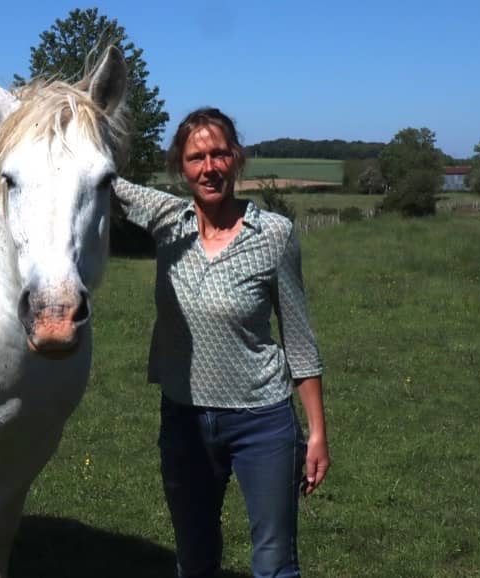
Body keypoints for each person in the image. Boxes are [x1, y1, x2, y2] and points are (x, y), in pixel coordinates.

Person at [112, 107, 330, 578]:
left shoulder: (274, 234)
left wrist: (316, 432)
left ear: (236, 158)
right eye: (195, 158)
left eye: (219, 154)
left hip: (263, 421)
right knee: (194, 560)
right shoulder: (167, 220)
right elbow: (98, 180)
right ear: (180, 166)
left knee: (274, 563)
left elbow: (299, 338)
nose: (208, 167)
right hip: (184, 421)